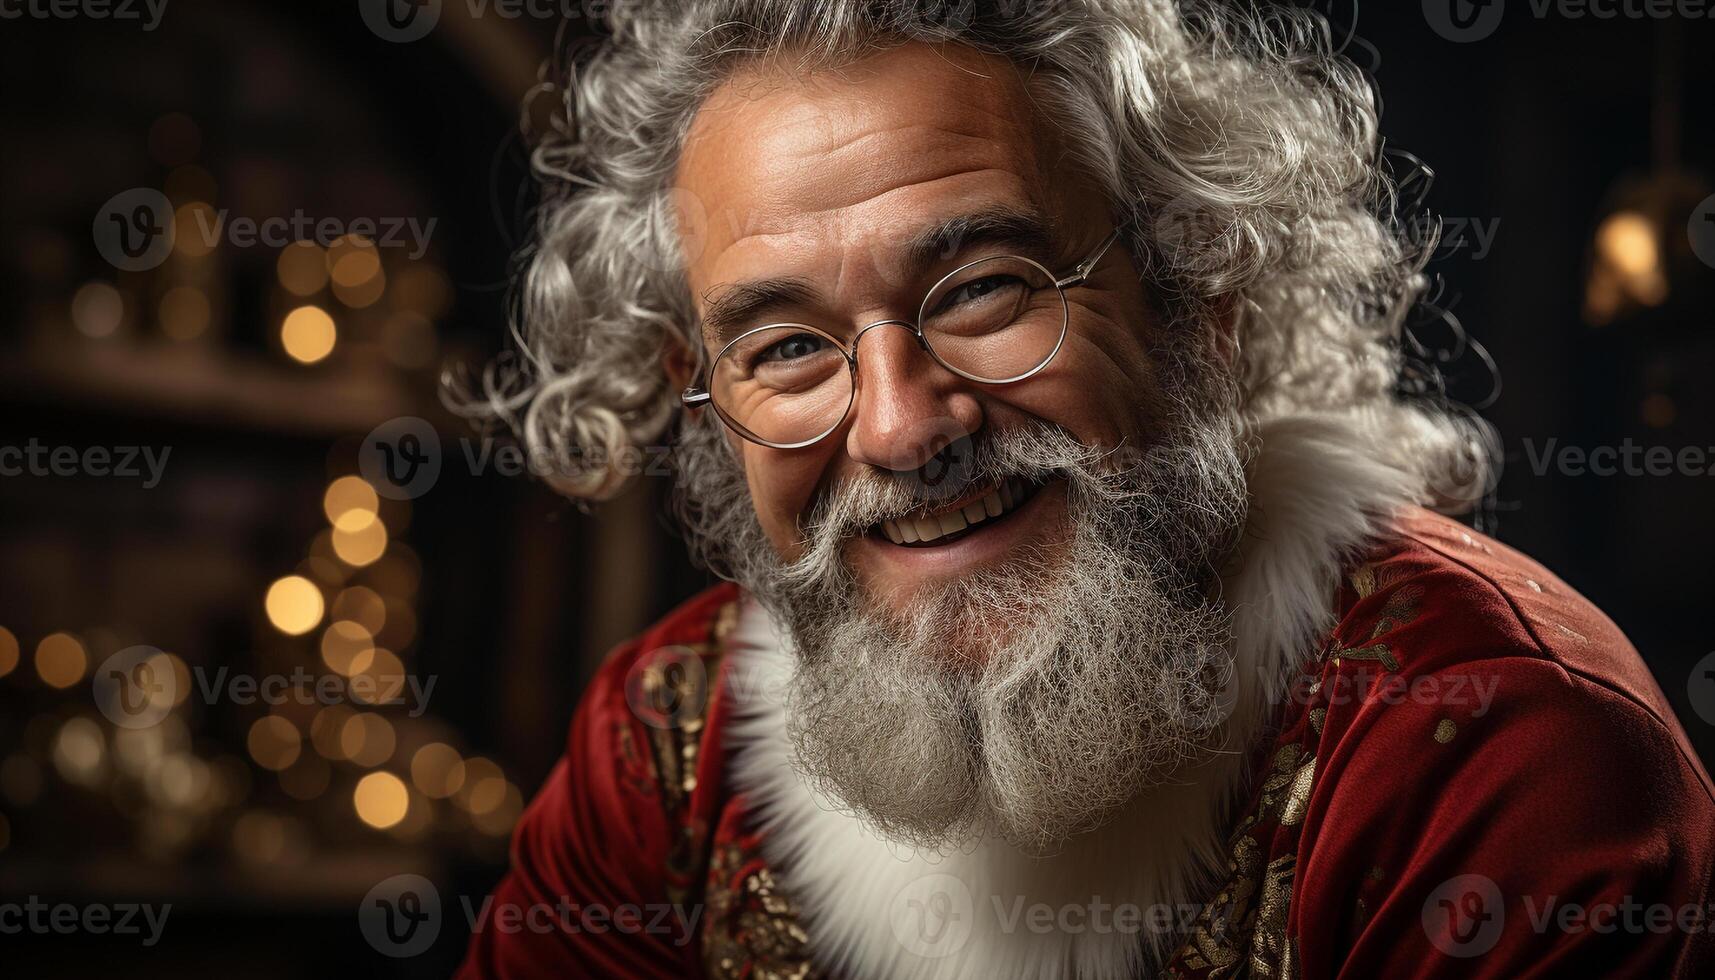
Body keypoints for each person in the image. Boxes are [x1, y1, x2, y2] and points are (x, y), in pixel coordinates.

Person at [456, 2, 1715, 976]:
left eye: (983, 289)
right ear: (703, 392)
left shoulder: (1501, 748)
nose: (899, 428)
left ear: (1197, 301)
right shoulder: (661, 754)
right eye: (784, 348)